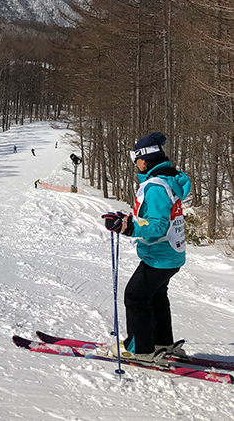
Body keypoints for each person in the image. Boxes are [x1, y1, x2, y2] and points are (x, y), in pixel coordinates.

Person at [102, 132, 191, 363]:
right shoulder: (170, 180)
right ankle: (162, 342)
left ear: (145, 159)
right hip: (171, 253)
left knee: (135, 296)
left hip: (160, 255)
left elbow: (158, 225)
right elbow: (154, 215)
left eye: (136, 159)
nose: (135, 164)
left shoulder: (155, 187)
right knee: (156, 296)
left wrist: (127, 227)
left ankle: (140, 349)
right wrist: (128, 219)